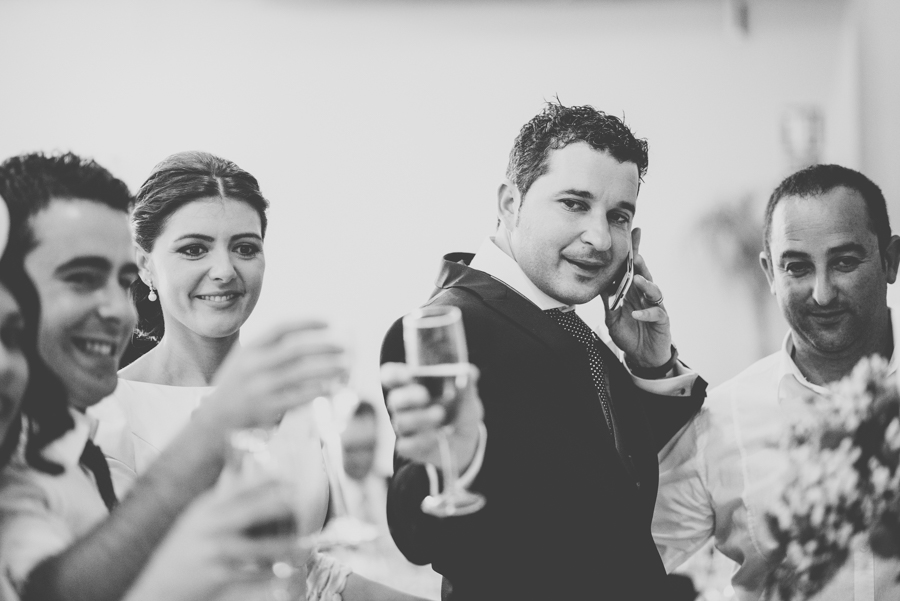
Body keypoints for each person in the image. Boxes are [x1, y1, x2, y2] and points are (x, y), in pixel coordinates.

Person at [381, 102, 707, 600]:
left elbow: (599, 475)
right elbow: (419, 536)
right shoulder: (446, 330)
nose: (600, 237)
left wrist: (651, 364)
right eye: (575, 203)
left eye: (618, 216)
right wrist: (456, 462)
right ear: (511, 203)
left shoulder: (567, 322)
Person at [0, 152, 346, 601]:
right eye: (81, 278)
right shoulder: (78, 430)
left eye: (245, 247)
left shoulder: (61, 439)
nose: (117, 310)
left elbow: (307, 567)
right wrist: (212, 432)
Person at [89, 150, 429, 601]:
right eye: (194, 249)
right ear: (145, 263)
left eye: (245, 248)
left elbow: (309, 571)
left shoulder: (298, 400)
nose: (225, 270)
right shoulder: (109, 411)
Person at [652, 164, 900, 600]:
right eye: (797, 268)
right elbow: (626, 563)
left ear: (890, 261)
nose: (822, 293)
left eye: (844, 262)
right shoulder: (720, 421)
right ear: (769, 273)